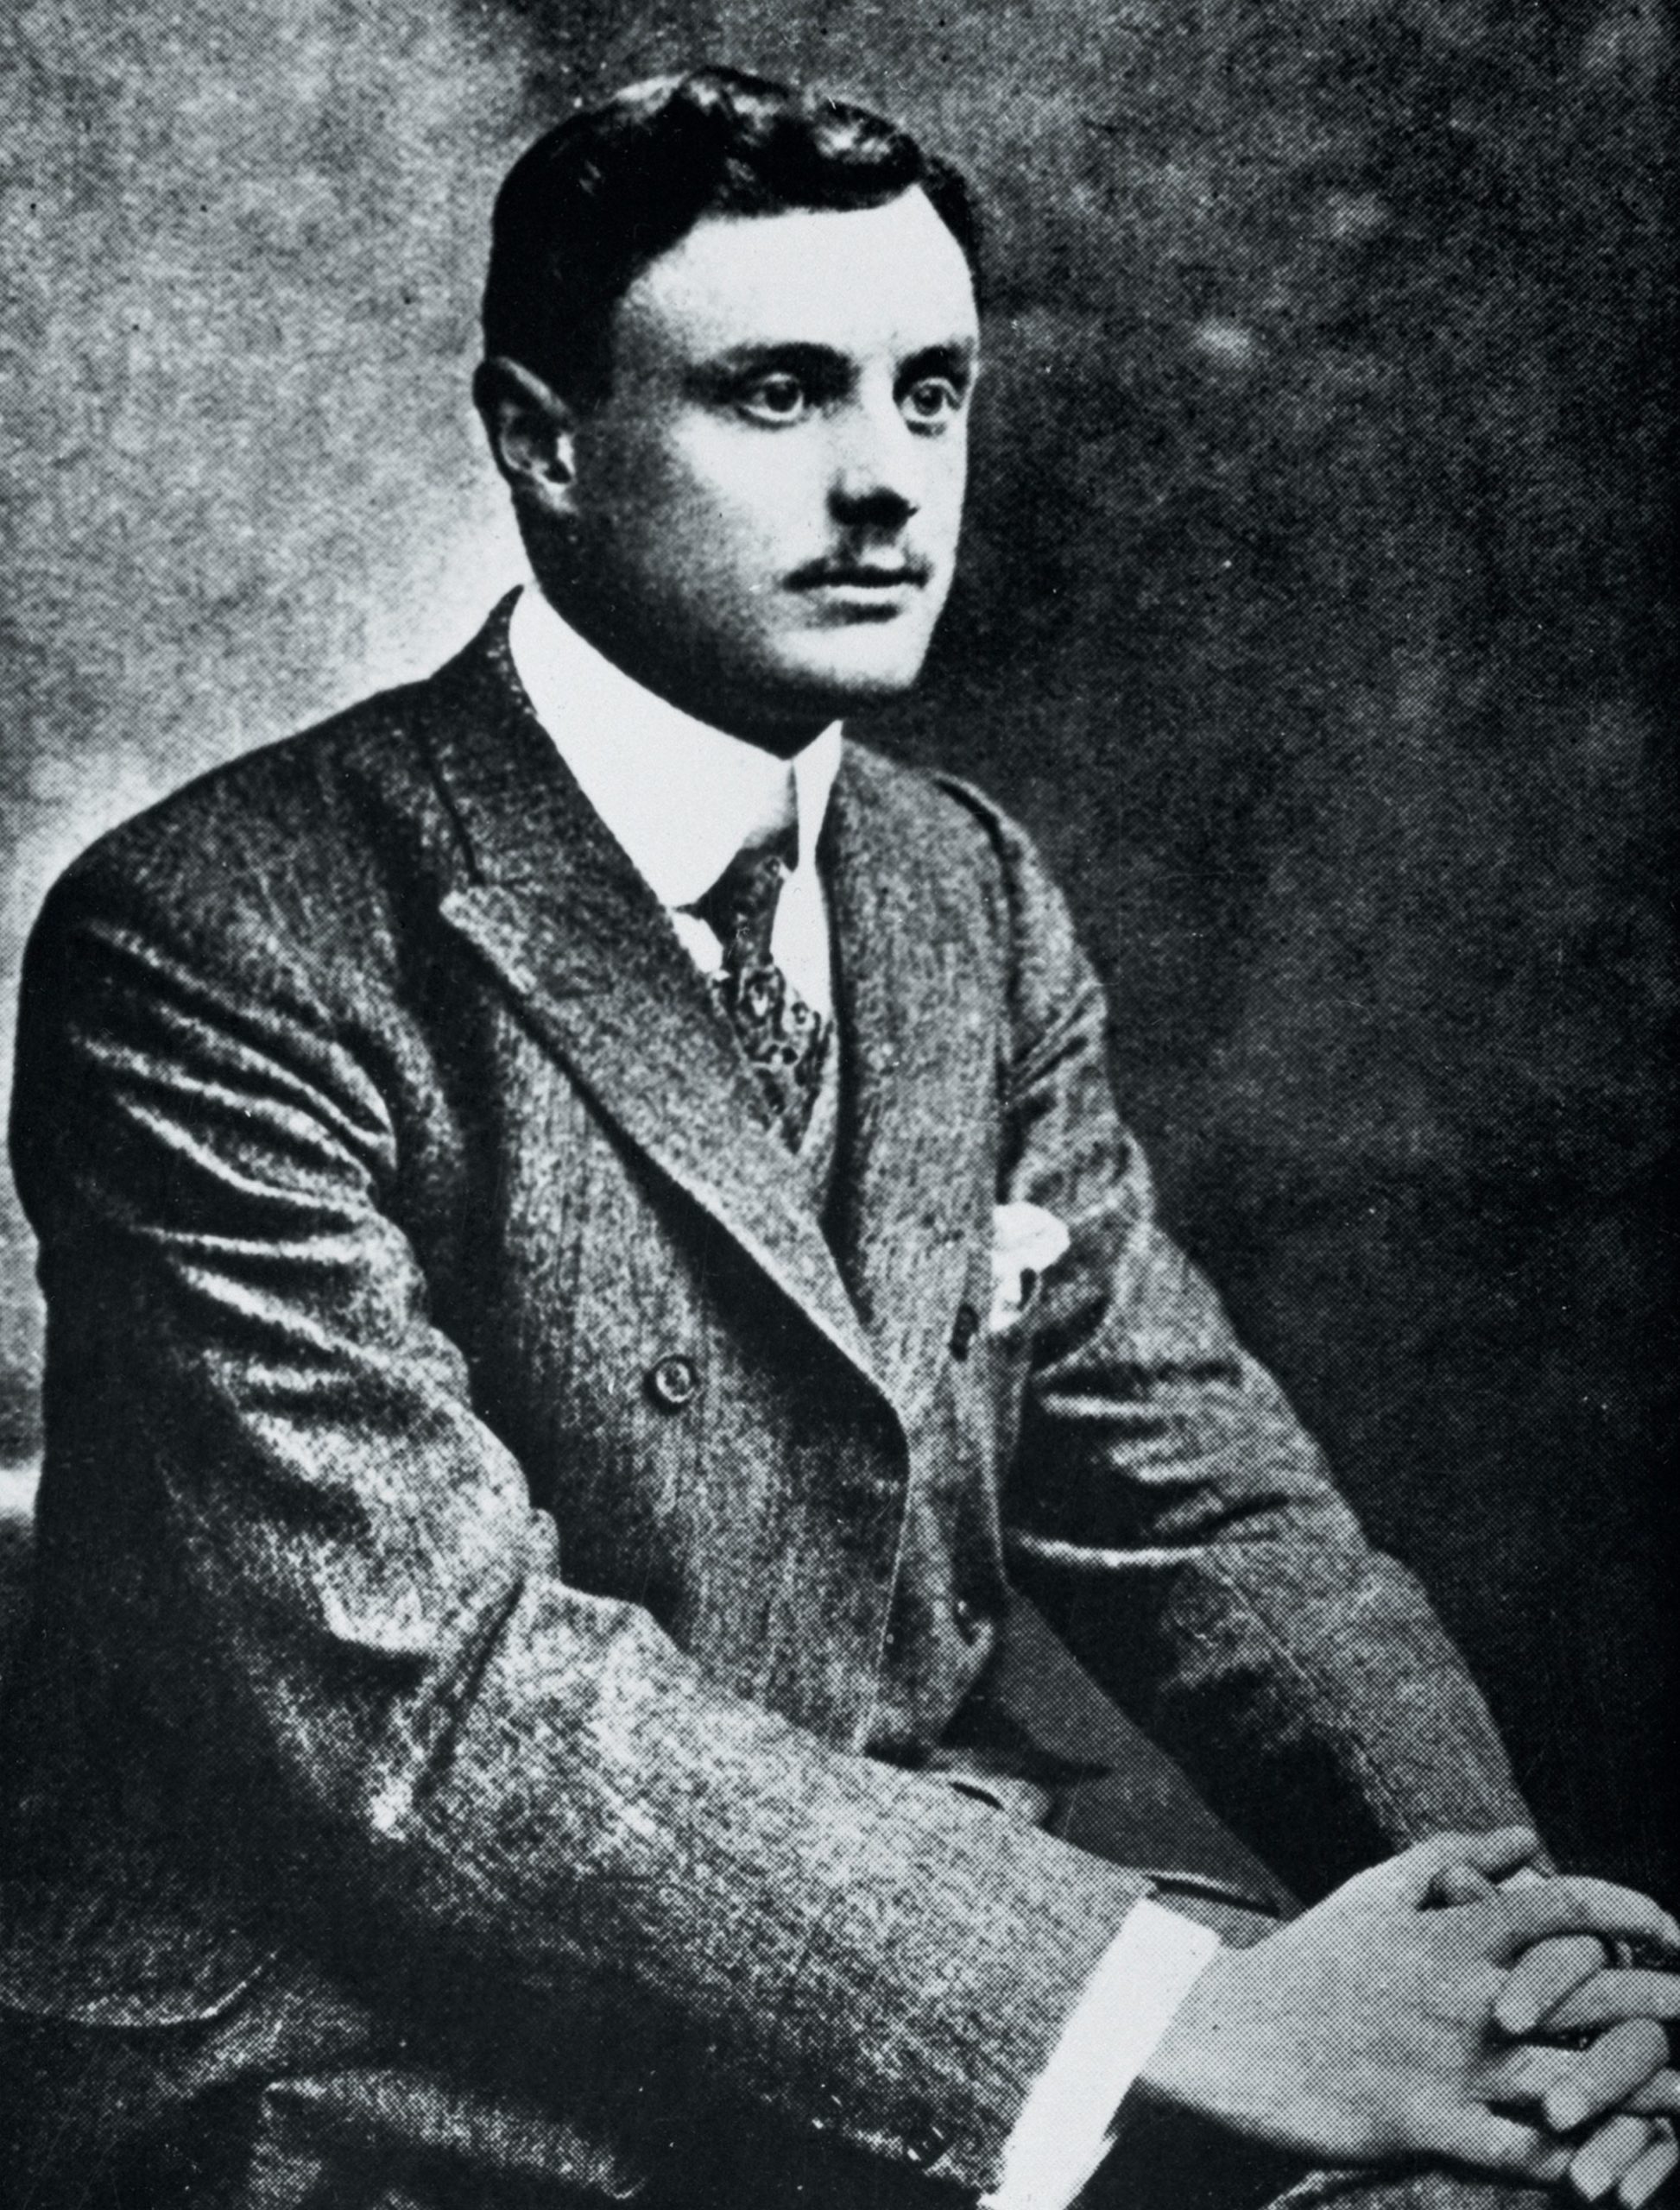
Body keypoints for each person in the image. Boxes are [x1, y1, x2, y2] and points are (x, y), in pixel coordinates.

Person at [1, 64, 1676, 2210]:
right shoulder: (216, 931)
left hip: (871, 1944)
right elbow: (437, 1701)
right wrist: (1193, 2020)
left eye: (930, 393)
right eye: (777, 393)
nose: (886, 481)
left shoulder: (959, 888)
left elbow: (1200, 1497)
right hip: (342, 2044)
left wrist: (1515, 1946)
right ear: (542, 442)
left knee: (1506, 2167)